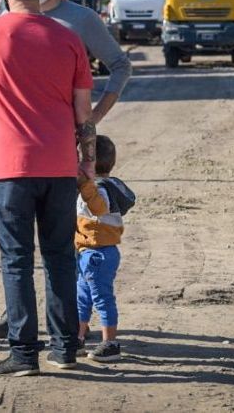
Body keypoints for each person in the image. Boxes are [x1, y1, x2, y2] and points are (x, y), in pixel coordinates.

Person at [0, 0, 132, 340]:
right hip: (19, 146)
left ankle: (70, 327)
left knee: (63, 243)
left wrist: (94, 119)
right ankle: (21, 317)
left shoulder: (79, 20)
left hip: (64, 145)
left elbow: (120, 64)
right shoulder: (4, 20)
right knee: (23, 245)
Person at [0, 0, 95, 378]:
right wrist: (89, 162)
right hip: (60, 166)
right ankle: (64, 349)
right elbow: (84, 112)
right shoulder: (69, 38)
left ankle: (23, 356)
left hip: (10, 169)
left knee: (16, 261)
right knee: (60, 257)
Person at [75, 135, 135, 362]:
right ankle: (78, 337)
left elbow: (99, 208)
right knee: (82, 296)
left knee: (101, 298)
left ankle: (110, 342)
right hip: (86, 251)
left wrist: (84, 185)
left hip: (99, 252)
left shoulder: (99, 189)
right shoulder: (110, 185)